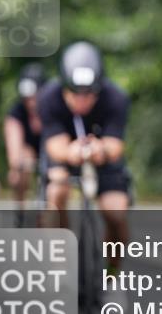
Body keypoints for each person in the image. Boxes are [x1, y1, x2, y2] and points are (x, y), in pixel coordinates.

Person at [39, 41, 131, 279]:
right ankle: (60, 262)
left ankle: (112, 275)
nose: (82, 101)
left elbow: (116, 145)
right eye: (75, 94)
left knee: (116, 212)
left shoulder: (116, 98)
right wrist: (72, 153)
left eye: (89, 94)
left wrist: (101, 150)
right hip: (65, 152)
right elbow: (55, 146)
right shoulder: (48, 97)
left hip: (102, 155)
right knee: (55, 193)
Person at [4, 62, 46, 208]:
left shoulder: (53, 108)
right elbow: (14, 145)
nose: (31, 102)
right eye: (27, 98)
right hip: (29, 151)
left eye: (34, 97)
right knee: (19, 171)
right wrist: (17, 165)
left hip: (51, 149)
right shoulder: (16, 112)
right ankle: (20, 214)